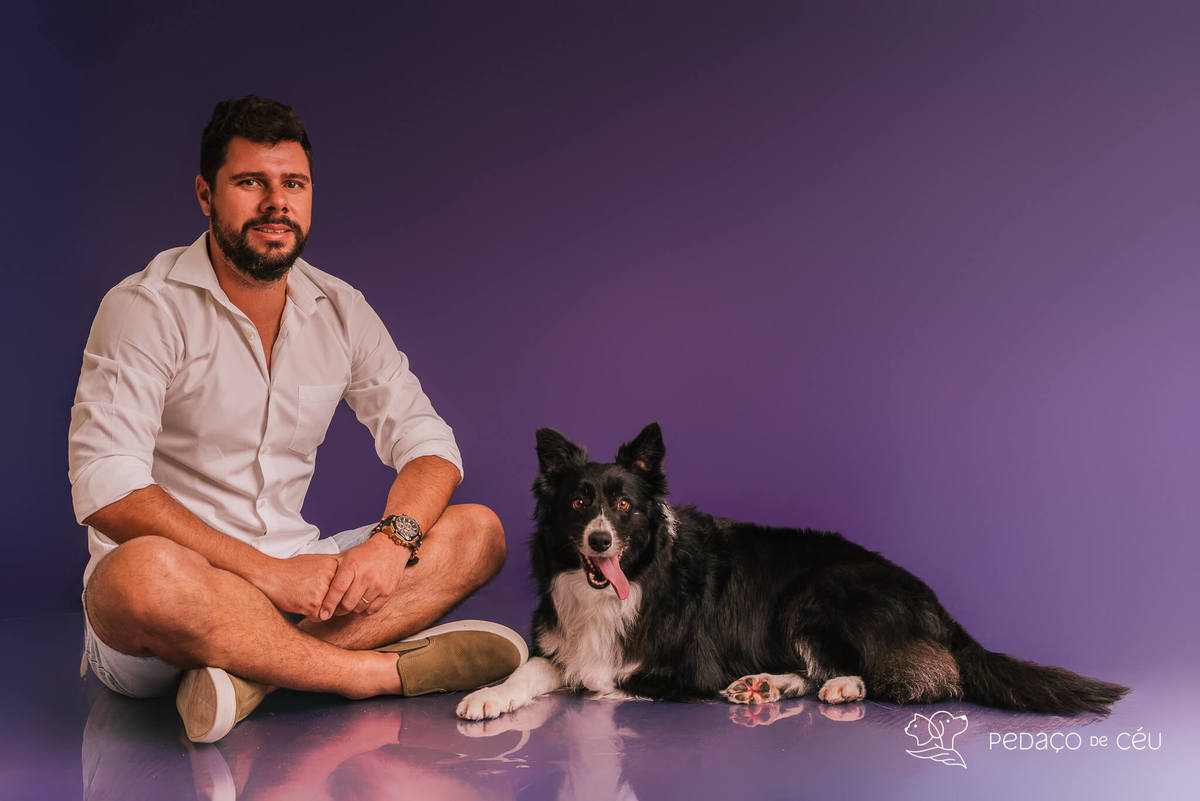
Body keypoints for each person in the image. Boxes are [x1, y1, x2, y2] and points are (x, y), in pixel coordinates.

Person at [69, 95, 525, 743]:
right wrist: (265, 572)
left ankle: (249, 678)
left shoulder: (339, 308)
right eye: (250, 182)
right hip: (181, 598)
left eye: (293, 183)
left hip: (304, 578)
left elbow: (428, 444)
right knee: (136, 577)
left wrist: (389, 544)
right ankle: (364, 674)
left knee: (478, 532)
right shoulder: (145, 304)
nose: (275, 201)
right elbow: (106, 486)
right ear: (205, 194)